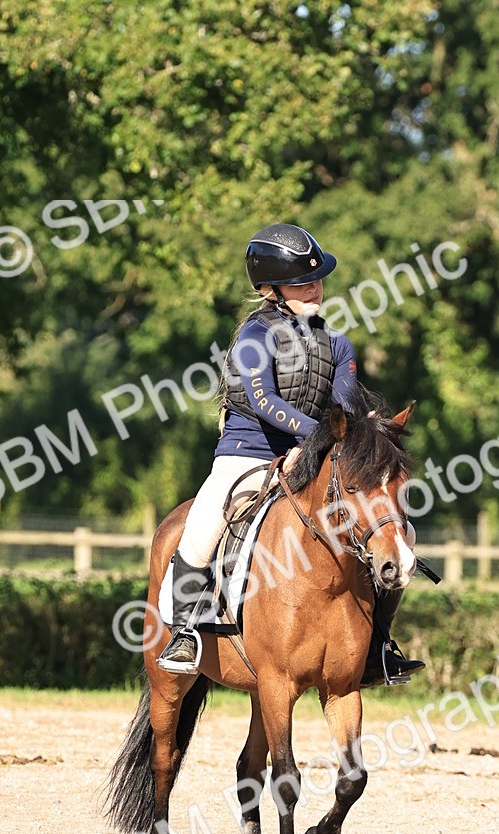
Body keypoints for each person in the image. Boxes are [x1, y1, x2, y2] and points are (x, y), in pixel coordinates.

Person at [157, 222, 422, 686]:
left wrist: (363, 436)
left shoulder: (338, 344)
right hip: (247, 453)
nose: (315, 288)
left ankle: (378, 642)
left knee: (398, 534)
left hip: (314, 454)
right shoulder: (253, 338)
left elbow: (346, 408)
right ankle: (185, 634)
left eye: (317, 279)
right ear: (270, 288)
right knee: (199, 529)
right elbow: (264, 403)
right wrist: (315, 437)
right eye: (302, 282)